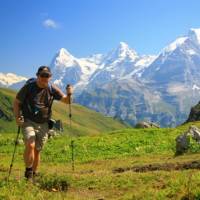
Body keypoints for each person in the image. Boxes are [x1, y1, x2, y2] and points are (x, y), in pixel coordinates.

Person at [13, 66, 72, 180]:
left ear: (50, 77)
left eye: (47, 76)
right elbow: (16, 102)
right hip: (28, 120)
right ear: (37, 76)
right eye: (42, 75)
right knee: (30, 143)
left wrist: (69, 94)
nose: (44, 78)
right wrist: (17, 117)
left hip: (44, 123)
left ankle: (34, 174)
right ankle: (28, 173)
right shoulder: (28, 87)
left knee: (37, 150)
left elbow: (66, 101)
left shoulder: (51, 88)